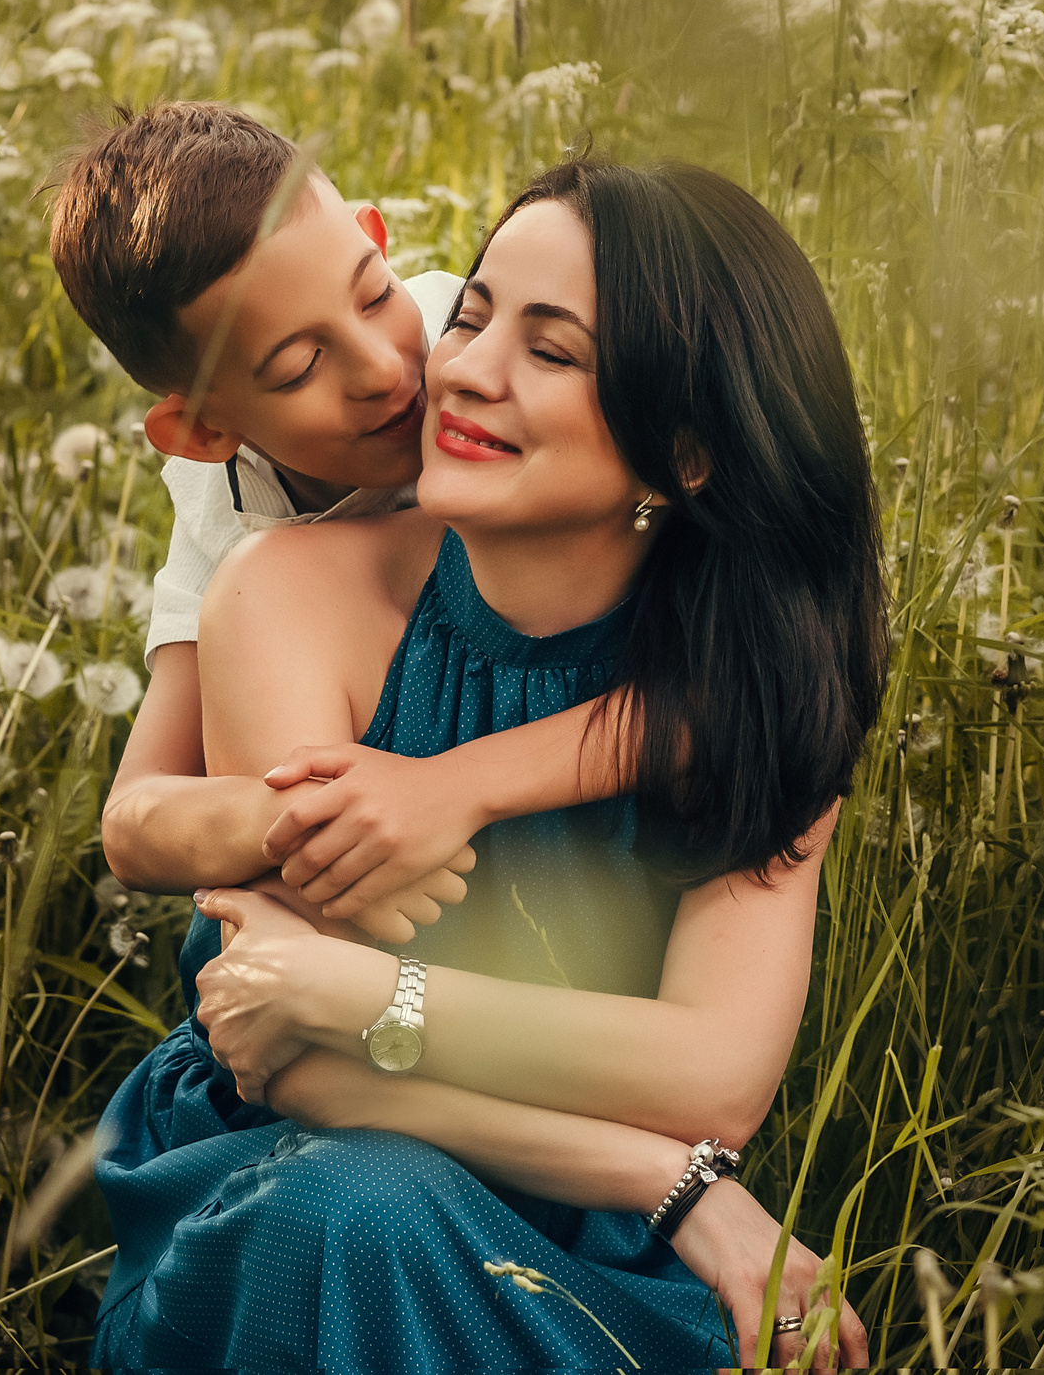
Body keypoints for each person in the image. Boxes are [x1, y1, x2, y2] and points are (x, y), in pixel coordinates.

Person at [91, 157, 889, 1370]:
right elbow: (298, 1059)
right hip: (296, 1175)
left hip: (585, 1234)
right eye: (467, 311)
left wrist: (371, 993)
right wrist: (681, 1185)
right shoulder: (284, 585)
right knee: (358, 1211)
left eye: (552, 350)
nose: (452, 367)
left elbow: (714, 1078)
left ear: (684, 449)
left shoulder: (751, 673)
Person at [50, 104, 691, 937]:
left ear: (375, 234)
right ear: (206, 432)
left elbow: (743, 689)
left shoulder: (476, 354)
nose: (389, 370)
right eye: (300, 365)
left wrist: (458, 784)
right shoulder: (235, 518)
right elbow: (134, 818)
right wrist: (297, 821)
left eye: (374, 294)